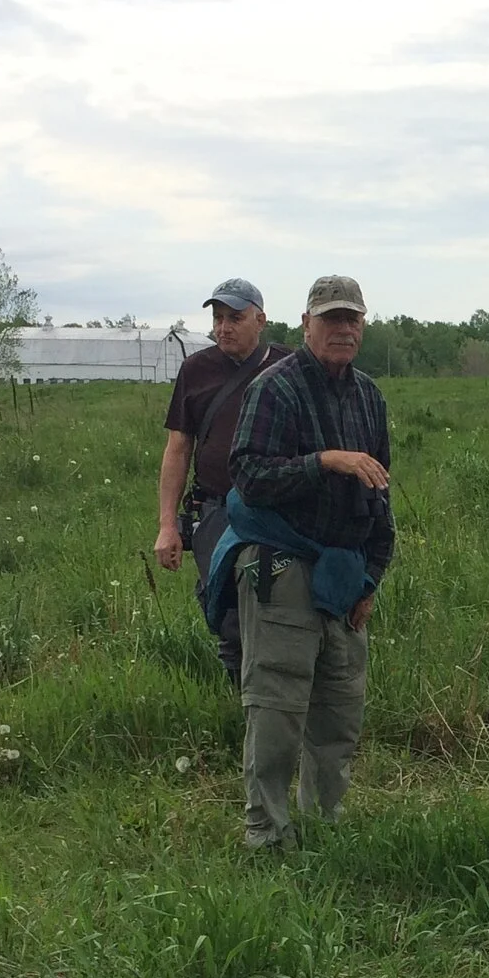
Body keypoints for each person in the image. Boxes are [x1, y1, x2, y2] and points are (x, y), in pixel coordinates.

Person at [211, 274, 395, 846]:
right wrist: (324, 462)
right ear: (306, 324)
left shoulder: (367, 394)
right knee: (278, 708)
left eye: (352, 319)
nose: (343, 328)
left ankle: (325, 827)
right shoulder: (276, 389)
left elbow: (382, 492)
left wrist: (372, 577)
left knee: (339, 713)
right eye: (331, 318)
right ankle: (266, 834)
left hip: (345, 573)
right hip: (284, 567)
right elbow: (249, 478)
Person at [156, 278, 293, 680]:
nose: (224, 327)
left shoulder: (291, 366)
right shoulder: (195, 371)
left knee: (283, 602)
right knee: (226, 610)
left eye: (235, 317)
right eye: (218, 318)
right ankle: (241, 698)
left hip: (277, 510)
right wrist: (167, 526)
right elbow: (178, 448)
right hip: (216, 510)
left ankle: (283, 693)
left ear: (261, 319)